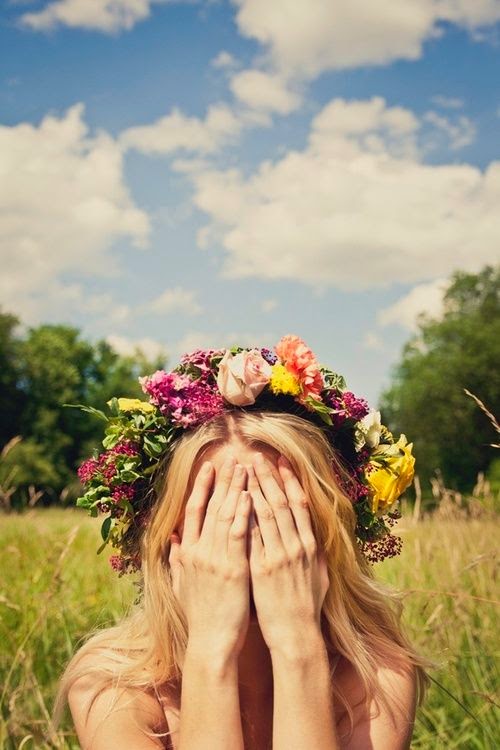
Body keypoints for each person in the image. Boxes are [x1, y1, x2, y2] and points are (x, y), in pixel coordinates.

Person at [53, 336, 429, 748]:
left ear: (326, 533)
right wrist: (210, 651)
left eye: (278, 515)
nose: (245, 546)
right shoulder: (110, 686)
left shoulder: (377, 678)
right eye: (218, 516)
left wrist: (298, 646)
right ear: (167, 537)